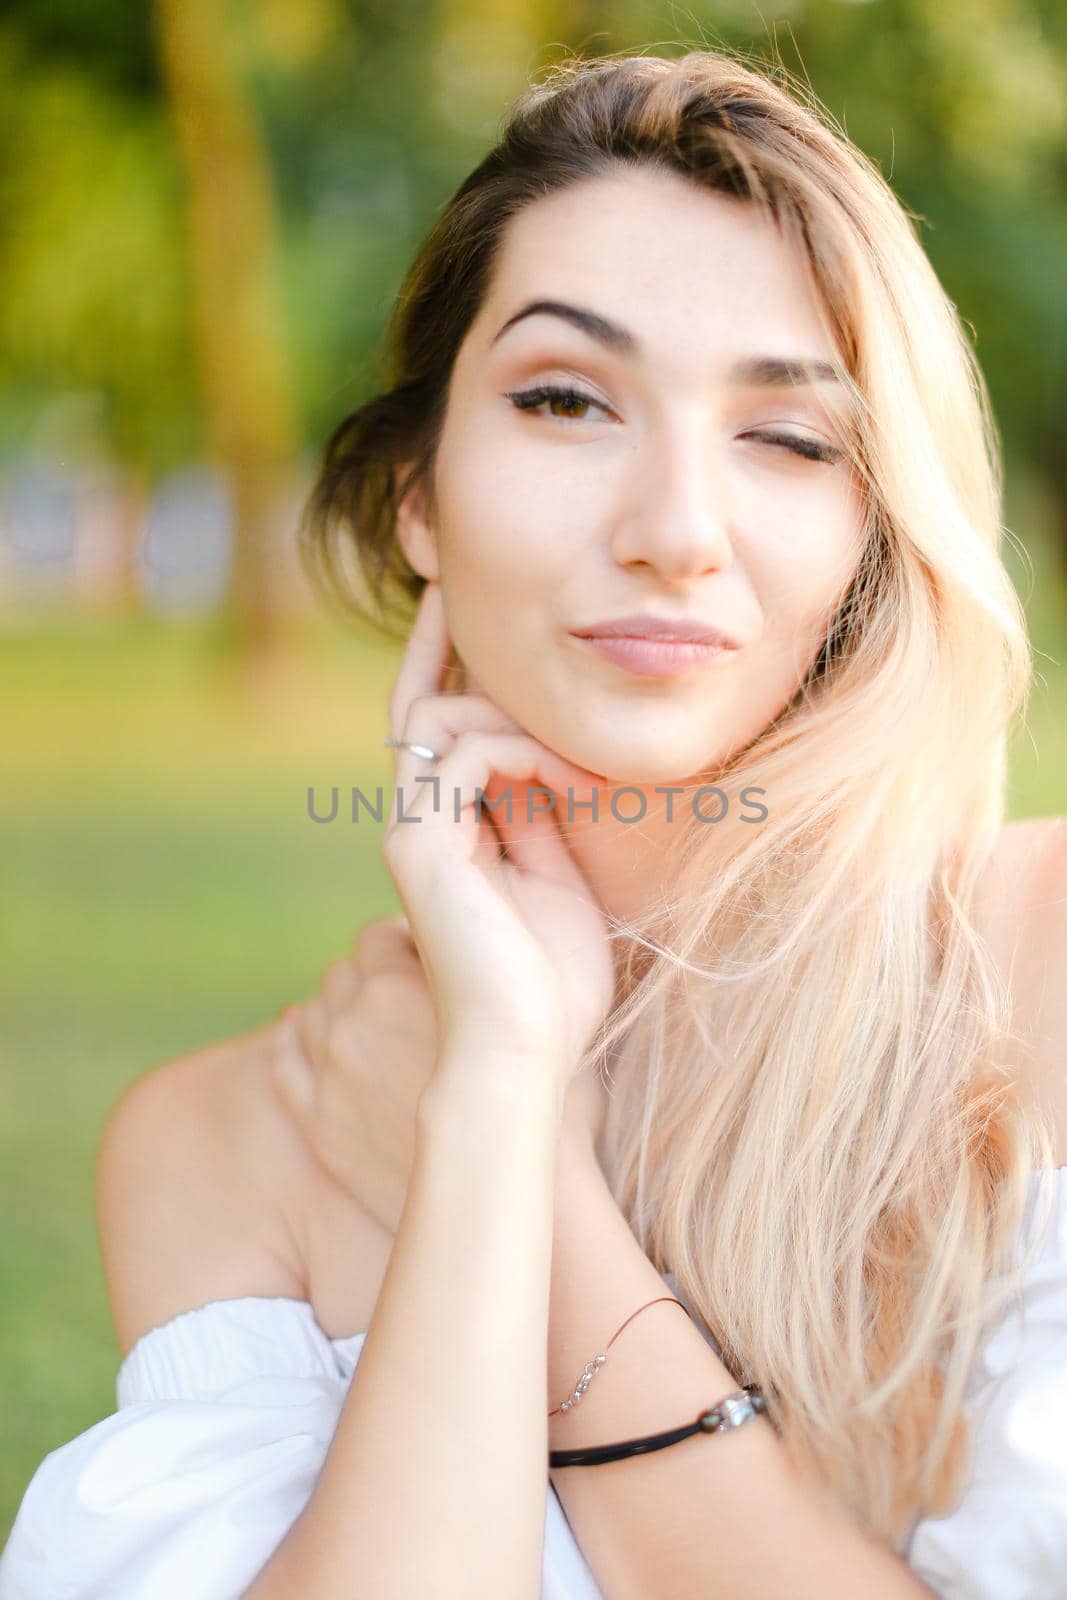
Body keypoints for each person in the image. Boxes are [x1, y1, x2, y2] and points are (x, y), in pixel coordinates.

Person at [3, 45, 1066, 1600]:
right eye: (568, 400)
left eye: (789, 436)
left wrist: (546, 1217)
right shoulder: (228, 1140)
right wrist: (496, 1074)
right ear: (419, 490)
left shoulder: (1031, 973)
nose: (675, 535)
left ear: (875, 525)